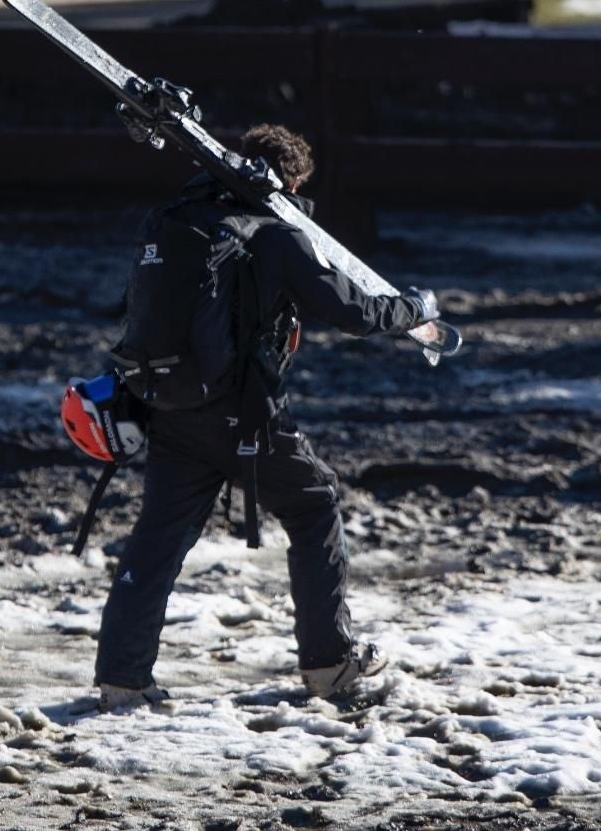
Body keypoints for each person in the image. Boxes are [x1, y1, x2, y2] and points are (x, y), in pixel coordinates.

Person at [95, 124, 442, 709]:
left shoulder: (181, 219)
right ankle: (330, 664)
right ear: (295, 180)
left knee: (157, 538)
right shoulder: (276, 236)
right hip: (244, 415)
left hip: (171, 405)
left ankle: (122, 678)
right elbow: (354, 312)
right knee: (314, 503)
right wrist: (416, 309)